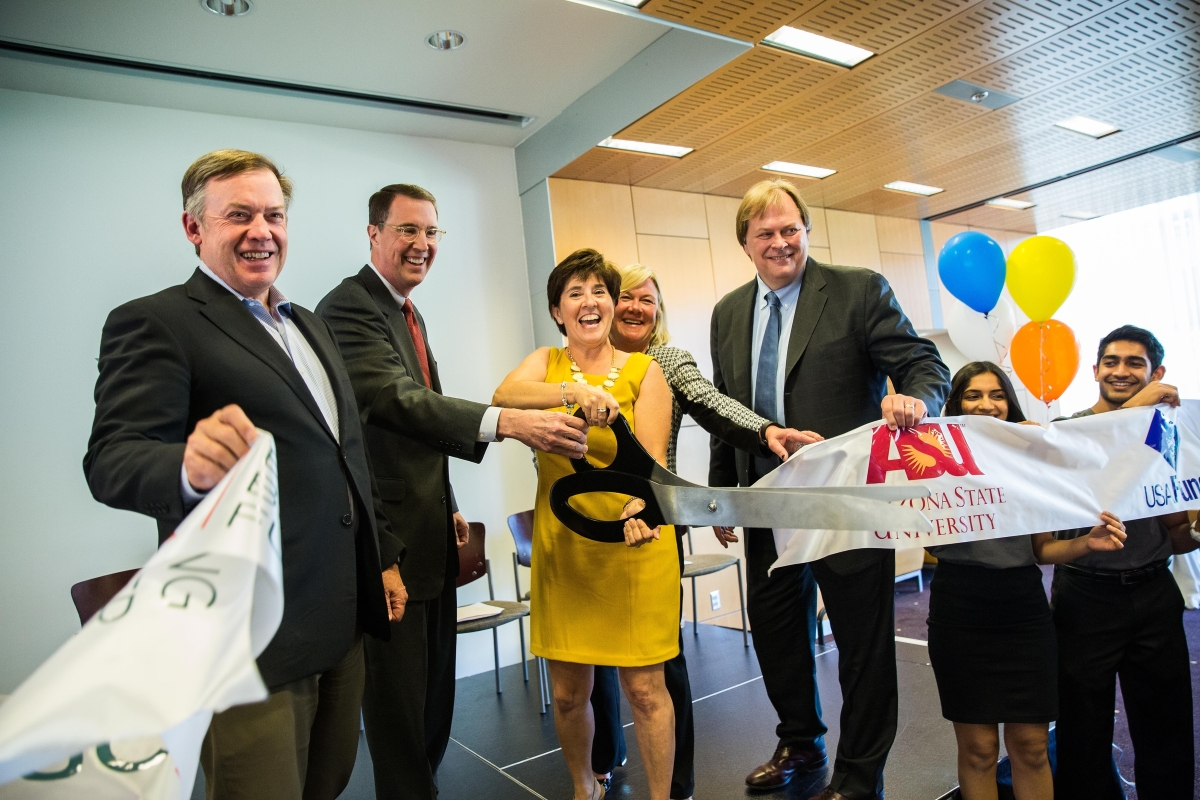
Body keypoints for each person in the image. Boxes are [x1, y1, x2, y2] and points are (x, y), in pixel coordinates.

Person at [84, 149, 405, 800]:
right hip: (247, 642)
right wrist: (185, 465)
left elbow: (345, 454)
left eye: (274, 214)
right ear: (193, 228)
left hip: (340, 622)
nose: (262, 230)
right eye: (239, 215)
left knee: (328, 785)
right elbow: (113, 457)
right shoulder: (158, 321)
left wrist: (384, 558)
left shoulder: (307, 324)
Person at [316, 184, 589, 800]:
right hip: (388, 543)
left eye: (432, 232)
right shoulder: (350, 308)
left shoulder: (406, 310)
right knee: (400, 714)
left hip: (430, 532)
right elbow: (392, 400)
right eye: (408, 230)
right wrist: (507, 420)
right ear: (374, 233)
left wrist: (452, 503)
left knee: (433, 698)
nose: (422, 245)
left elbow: (409, 429)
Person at [708, 179, 951, 800]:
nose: (781, 242)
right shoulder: (728, 312)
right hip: (765, 499)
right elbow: (720, 408)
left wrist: (917, 402)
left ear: (806, 231)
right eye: (766, 233)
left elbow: (926, 365)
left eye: (791, 229)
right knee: (777, 633)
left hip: (845, 501)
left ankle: (859, 775)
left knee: (861, 645)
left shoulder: (857, 290)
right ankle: (799, 741)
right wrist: (722, 494)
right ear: (746, 244)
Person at [589, 264, 821, 799]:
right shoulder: (584, 365)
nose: (635, 308)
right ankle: (605, 760)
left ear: (658, 310)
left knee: (663, 660)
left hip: (652, 524)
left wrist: (766, 430)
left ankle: (677, 786)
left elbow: (712, 403)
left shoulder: (667, 361)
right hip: (591, 526)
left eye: (648, 300)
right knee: (596, 656)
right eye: (626, 296)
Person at [494, 249, 679, 800]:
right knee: (570, 693)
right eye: (574, 293)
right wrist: (574, 391)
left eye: (599, 290)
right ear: (558, 311)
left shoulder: (648, 372)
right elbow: (504, 397)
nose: (589, 301)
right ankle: (584, 787)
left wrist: (636, 508)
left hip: (634, 543)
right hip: (565, 548)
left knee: (646, 692)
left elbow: (650, 463)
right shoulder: (544, 363)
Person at [927, 362, 1129, 800]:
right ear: (957, 402)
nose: (986, 404)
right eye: (973, 395)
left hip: (1022, 610)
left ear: (1009, 402)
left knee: (1032, 746)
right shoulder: (932, 459)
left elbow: (1042, 549)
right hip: (959, 609)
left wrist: (1086, 545)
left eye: (996, 395)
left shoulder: (1029, 454)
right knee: (979, 749)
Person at [1050, 325, 1197, 800]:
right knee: (1082, 726)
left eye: (1135, 363)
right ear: (1094, 371)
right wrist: (1141, 410)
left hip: (1154, 590)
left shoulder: (1172, 434)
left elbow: (1175, 535)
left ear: (1156, 372)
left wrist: (1193, 533)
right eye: (1111, 361)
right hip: (1084, 596)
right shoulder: (1069, 428)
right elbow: (1096, 451)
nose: (1120, 371)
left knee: (1167, 724)